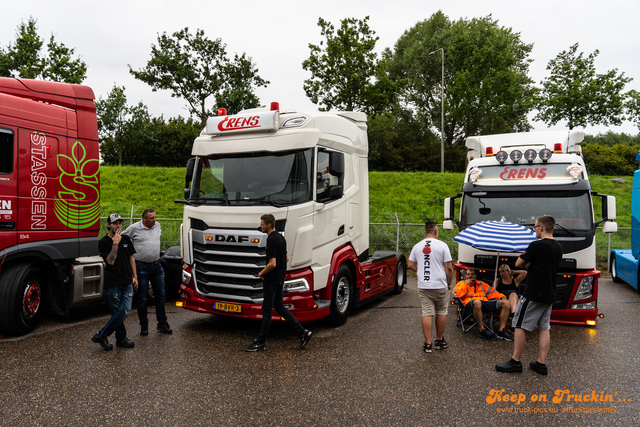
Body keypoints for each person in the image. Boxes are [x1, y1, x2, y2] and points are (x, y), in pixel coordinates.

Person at [496, 216, 563, 375]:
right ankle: (541, 363)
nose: (534, 230)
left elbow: (519, 263)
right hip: (550, 293)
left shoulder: (536, 245)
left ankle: (515, 361)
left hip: (534, 293)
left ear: (542, 228)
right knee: (544, 327)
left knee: (518, 323)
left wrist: (529, 263)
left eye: (535, 227)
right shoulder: (558, 247)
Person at [244, 214, 312, 352]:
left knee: (267, 310)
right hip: (280, 278)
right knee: (280, 307)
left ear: (269, 225)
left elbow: (272, 263)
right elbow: (285, 258)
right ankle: (302, 332)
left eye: (262, 224)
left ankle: (261, 342)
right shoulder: (281, 237)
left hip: (271, 280)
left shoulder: (271, 240)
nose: (260, 226)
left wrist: (261, 273)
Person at [91, 213, 138, 350]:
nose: (118, 225)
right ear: (108, 225)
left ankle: (102, 335)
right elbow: (110, 261)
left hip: (127, 281)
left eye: (120, 223)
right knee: (118, 311)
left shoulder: (126, 239)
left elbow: (131, 258)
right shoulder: (103, 242)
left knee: (125, 310)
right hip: (113, 283)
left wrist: (135, 276)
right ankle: (121, 339)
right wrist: (115, 243)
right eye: (115, 223)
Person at [122, 209, 172, 335]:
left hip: (157, 266)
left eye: (155, 217)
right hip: (141, 267)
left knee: (161, 295)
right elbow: (122, 239)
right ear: (144, 219)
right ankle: (144, 325)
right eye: (151, 218)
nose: (154, 220)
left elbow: (158, 238)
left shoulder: (157, 226)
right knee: (143, 298)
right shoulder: (134, 228)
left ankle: (162, 323)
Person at [408, 221, 453, 353]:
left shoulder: (417, 246)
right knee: (441, 311)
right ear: (436, 232)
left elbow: (410, 265)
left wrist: (420, 270)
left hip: (424, 285)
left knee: (427, 312)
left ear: (425, 232)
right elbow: (449, 268)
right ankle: (439, 340)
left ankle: (428, 344)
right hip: (440, 284)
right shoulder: (443, 246)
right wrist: (449, 282)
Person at [453, 268, 513, 341]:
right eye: (468, 274)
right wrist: (466, 284)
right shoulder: (461, 283)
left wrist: (502, 297)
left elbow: (492, 292)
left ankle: (501, 330)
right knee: (477, 302)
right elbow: (456, 295)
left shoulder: (481, 284)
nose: (470, 276)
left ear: (475, 276)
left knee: (506, 303)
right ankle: (482, 330)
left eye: (472, 274)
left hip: (485, 303)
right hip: (471, 303)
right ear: (465, 276)